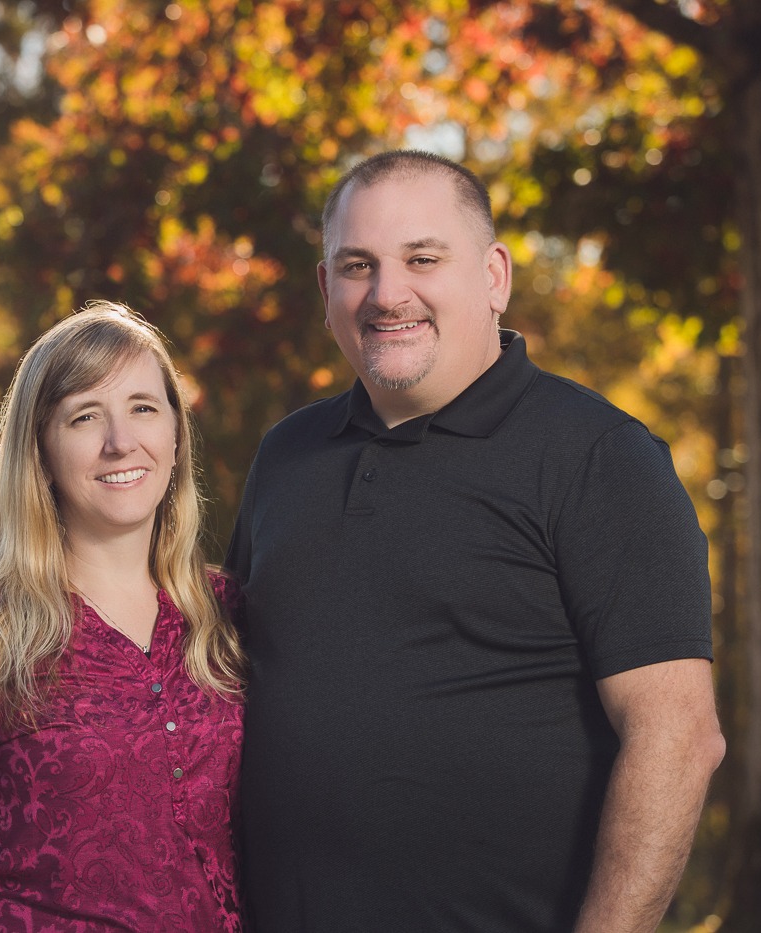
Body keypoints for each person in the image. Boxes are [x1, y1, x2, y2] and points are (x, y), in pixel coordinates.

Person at [225, 150, 725, 932]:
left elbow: (678, 737)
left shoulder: (600, 457)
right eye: (357, 265)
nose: (388, 294)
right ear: (326, 289)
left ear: (494, 275)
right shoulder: (285, 457)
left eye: (423, 258)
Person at [0, 302, 248, 933]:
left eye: (143, 407)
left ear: (175, 432)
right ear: (40, 451)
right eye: (85, 416)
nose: (121, 441)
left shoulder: (229, 616)